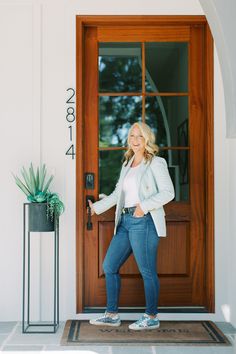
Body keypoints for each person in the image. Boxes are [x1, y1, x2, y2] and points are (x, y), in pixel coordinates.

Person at [88, 121, 175, 330]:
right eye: (132, 136)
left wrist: (143, 207)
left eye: (140, 136)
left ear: (147, 139)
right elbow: (119, 194)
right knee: (109, 266)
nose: (135, 140)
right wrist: (96, 208)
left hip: (143, 221)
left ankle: (151, 317)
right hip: (125, 222)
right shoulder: (127, 164)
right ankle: (111, 314)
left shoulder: (155, 162)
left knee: (147, 271)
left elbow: (168, 192)